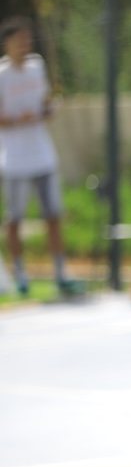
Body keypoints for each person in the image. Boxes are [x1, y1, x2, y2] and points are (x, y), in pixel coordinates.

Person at [0, 16, 71, 297]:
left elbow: (43, 102)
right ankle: (20, 274)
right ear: (7, 43)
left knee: (53, 215)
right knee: (15, 219)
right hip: (15, 160)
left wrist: (47, 109)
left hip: (43, 155)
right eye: (19, 40)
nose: (24, 45)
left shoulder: (37, 66)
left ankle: (61, 273)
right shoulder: (2, 75)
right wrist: (19, 120)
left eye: (27, 39)